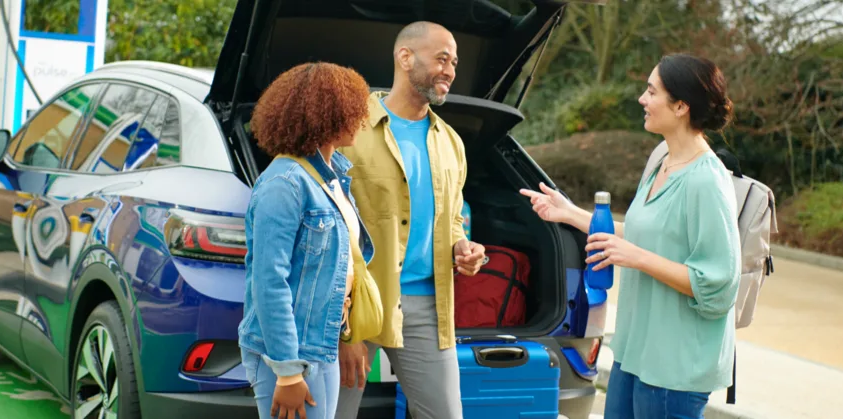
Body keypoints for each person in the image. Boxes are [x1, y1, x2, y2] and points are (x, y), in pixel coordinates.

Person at [520, 53, 741, 419]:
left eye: (652, 92)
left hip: (675, 367)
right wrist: (570, 213)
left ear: (681, 106)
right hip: (634, 353)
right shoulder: (660, 159)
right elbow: (642, 233)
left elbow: (717, 284)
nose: (642, 99)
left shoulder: (707, 180)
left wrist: (635, 257)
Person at [334, 21, 487, 419]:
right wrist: (342, 326)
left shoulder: (450, 142)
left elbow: (453, 216)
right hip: (357, 302)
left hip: (426, 303)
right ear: (405, 57)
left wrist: (461, 245)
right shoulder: (350, 127)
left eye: (454, 61)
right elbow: (331, 224)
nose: (450, 70)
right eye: (441, 58)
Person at [238, 62, 375, 419]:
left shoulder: (333, 179)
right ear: (324, 116)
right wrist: (286, 371)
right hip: (288, 352)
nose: (363, 117)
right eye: (353, 108)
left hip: (321, 344)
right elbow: (268, 283)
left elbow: (339, 269)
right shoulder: (284, 185)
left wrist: (346, 336)